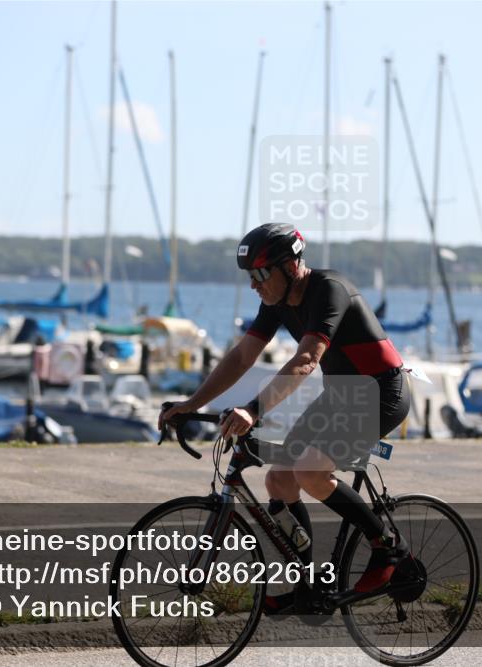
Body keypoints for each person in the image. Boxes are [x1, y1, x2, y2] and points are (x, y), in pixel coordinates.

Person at [159, 223, 411, 612]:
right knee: (279, 478)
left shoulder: (329, 289)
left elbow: (307, 359)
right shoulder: (275, 302)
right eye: (249, 276)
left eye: (260, 274)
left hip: (381, 392)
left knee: (310, 471)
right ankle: (308, 586)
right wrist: (192, 403)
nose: (254, 285)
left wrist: (254, 409)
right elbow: (243, 357)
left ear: (290, 267)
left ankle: (387, 547)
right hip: (343, 395)